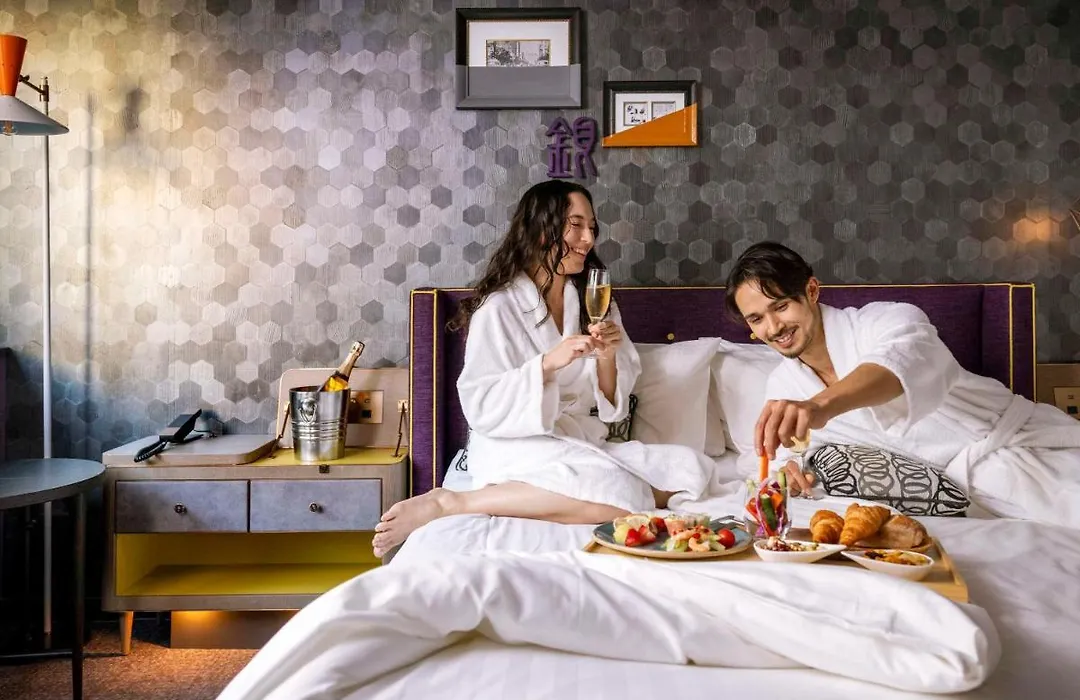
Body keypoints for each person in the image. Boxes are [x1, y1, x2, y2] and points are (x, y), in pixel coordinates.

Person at [372, 181, 715, 556]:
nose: (588, 239)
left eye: (592, 227)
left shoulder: (592, 301)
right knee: (624, 497)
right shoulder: (498, 309)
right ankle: (453, 502)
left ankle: (546, 490)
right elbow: (480, 402)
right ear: (540, 231)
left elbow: (612, 404)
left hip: (576, 439)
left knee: (689, 469)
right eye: (576, 225)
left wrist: (607, 356)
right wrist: (548, 364)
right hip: (515, 443)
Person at [725, 241, 1080, 527]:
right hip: (960, 500)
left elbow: (898, 366)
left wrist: (820, 406)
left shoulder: (888, 320)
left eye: (781, 306)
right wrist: (788, 470)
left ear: (812, 290)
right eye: (756, 319)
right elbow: (782, 457)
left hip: (1034, 454)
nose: (773, 328)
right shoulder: (784, 384)